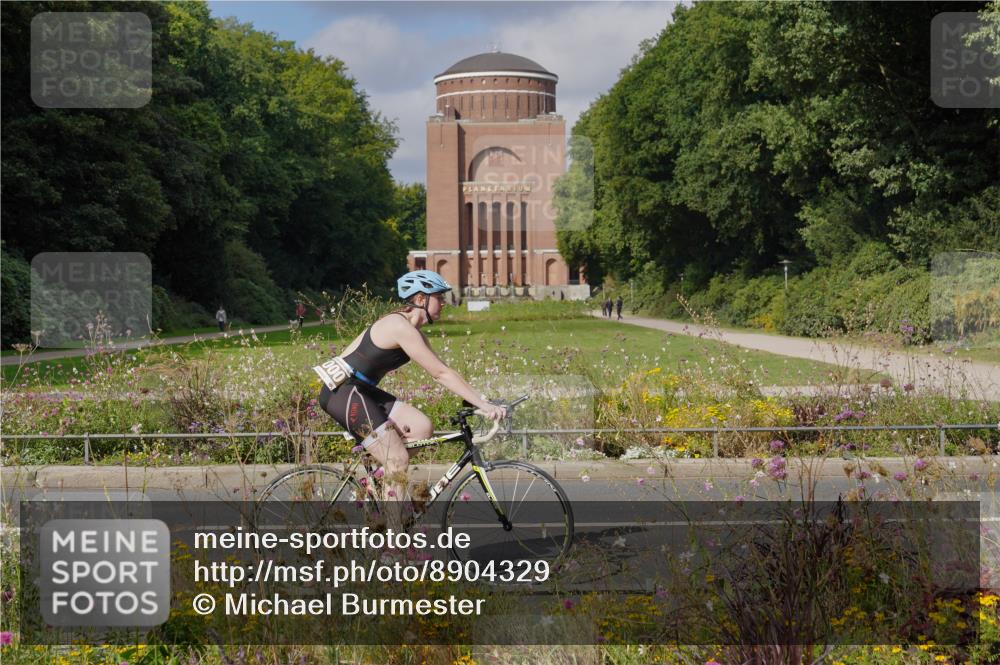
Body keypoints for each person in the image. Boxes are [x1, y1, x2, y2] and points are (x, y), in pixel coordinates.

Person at [316, 270, 506, 518]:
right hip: (343, 393)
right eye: (439, 296)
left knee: (421, 426)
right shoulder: (398, 325)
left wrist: (482, 401)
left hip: (360, 391)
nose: (444, 302)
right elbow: (439, 374)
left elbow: (445, 370)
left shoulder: (412, 330)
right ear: (420, 299)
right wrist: (482, 404)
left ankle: (386, 485)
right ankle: (393, 550)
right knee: (397, 460)